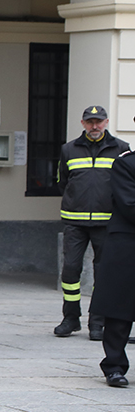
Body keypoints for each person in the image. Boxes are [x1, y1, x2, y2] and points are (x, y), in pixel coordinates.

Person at [54, 105, 129, 339]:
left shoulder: (121, 149)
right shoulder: (69, 149)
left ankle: (97, 322)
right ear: (83, 123)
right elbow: (61, 181)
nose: (94, 126)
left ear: (106, 122)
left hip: (107, 222)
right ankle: (70, 318)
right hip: (75, 222)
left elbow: (125, 183)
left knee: (103, 274)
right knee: (70, 271)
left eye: (98, 122)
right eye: (90, 122)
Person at [90, 132, 135, 387]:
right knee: (120, 310)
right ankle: (114, 366)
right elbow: (129, 204)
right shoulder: (126, 163)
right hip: (128, 244)